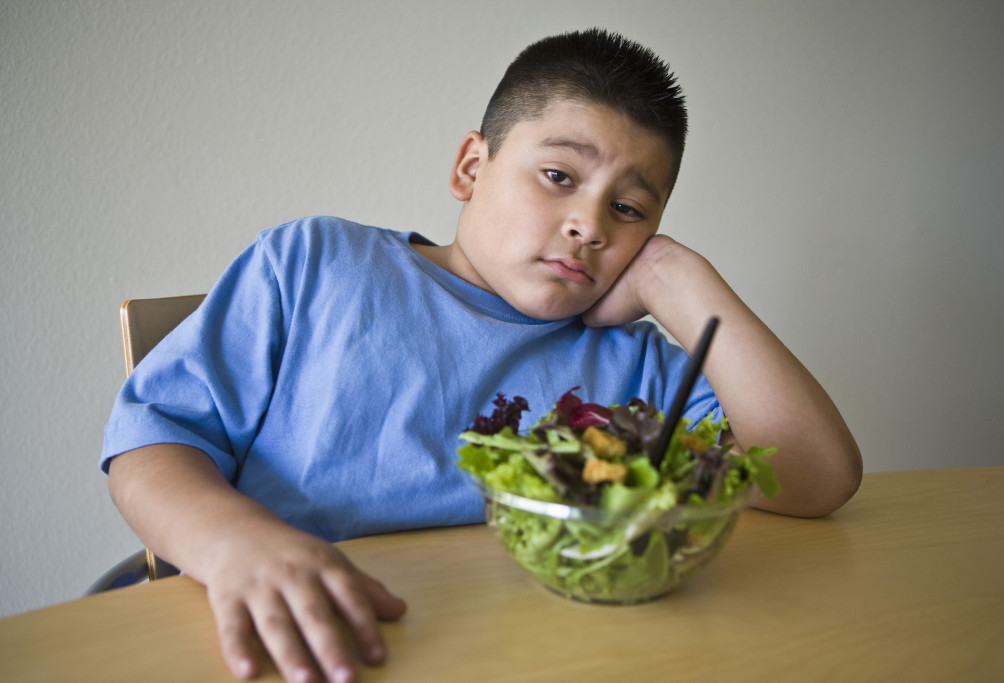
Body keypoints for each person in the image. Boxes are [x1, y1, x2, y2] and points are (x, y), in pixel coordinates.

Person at [101, 28, 861, 683]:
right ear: (471, 167)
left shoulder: (636, 367)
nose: (590, 225)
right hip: (308, 644)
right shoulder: (314, 265)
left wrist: (677, 278)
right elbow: (153, 438)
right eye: (559, 176)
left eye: (629, 209)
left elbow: (815, 476)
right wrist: (233, 542)